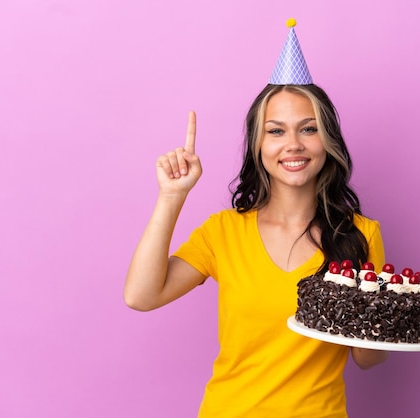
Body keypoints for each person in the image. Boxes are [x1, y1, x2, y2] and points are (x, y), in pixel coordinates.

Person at [124, 20, 389, 418]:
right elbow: (141, 296)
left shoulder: (360, 234)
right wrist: (171, 197)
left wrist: (371, 309)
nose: (293, 145)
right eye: (276, 131)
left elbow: (368, 359)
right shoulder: (224, 231)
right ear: (258, 145)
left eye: (309, 129)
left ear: (328, 141)